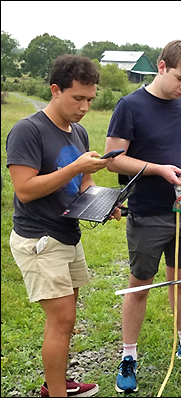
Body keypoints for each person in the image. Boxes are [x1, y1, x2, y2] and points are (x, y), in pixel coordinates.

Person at [6, 54, 121, 398]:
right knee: (62, 320)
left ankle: (57, 382)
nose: (85, 106)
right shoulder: (28, 131)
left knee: (67, 319)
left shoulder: (80, 131)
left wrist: (105, 204)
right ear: (55, 90)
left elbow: (83, 187)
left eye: (90, 99)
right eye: (78, 98)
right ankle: (55, 393)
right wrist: (74, 169)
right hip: (39, 238)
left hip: (67, 235)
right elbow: (24, 190)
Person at [104, 40, 181, 393]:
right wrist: (158, 170)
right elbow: (113, 159)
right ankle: (129, 357)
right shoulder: (130, 106)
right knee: (140, 287)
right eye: (180, 78)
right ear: (161, 67)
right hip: (148, 213)